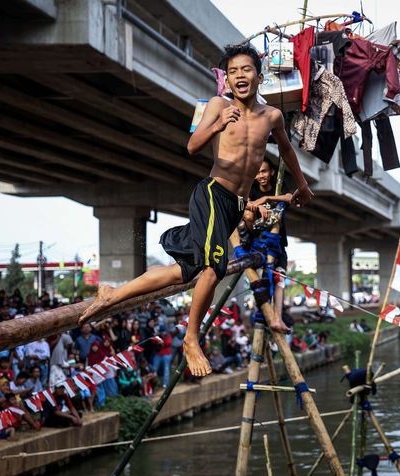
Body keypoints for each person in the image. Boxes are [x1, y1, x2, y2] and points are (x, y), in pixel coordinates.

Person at [77, 44, 313, 378]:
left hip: (235, 205)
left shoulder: (271, 116)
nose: (240, 76)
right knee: (213, 267)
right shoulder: (218, 104)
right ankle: (191, 338)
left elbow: (286, 149)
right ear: (226, 80)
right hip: (214, 192)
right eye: (233, 72)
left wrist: (302, 185)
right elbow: (192, 146)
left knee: (184, 271)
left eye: (246, 70)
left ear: (259, 77)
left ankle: (112, 294)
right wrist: (217, 125)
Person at [244, 157, 293, 333]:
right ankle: (266, 315)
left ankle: (277, 318)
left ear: (271, 172)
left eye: (264, 171)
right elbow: (244, 205)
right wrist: (258, 207)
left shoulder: (279, 186)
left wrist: (266, 198)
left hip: (277, 242)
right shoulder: (252, 188)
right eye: (257, 172)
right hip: (258, 241)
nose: (260, 176)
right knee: (261, 282)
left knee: (279, 280)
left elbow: (289, 197)